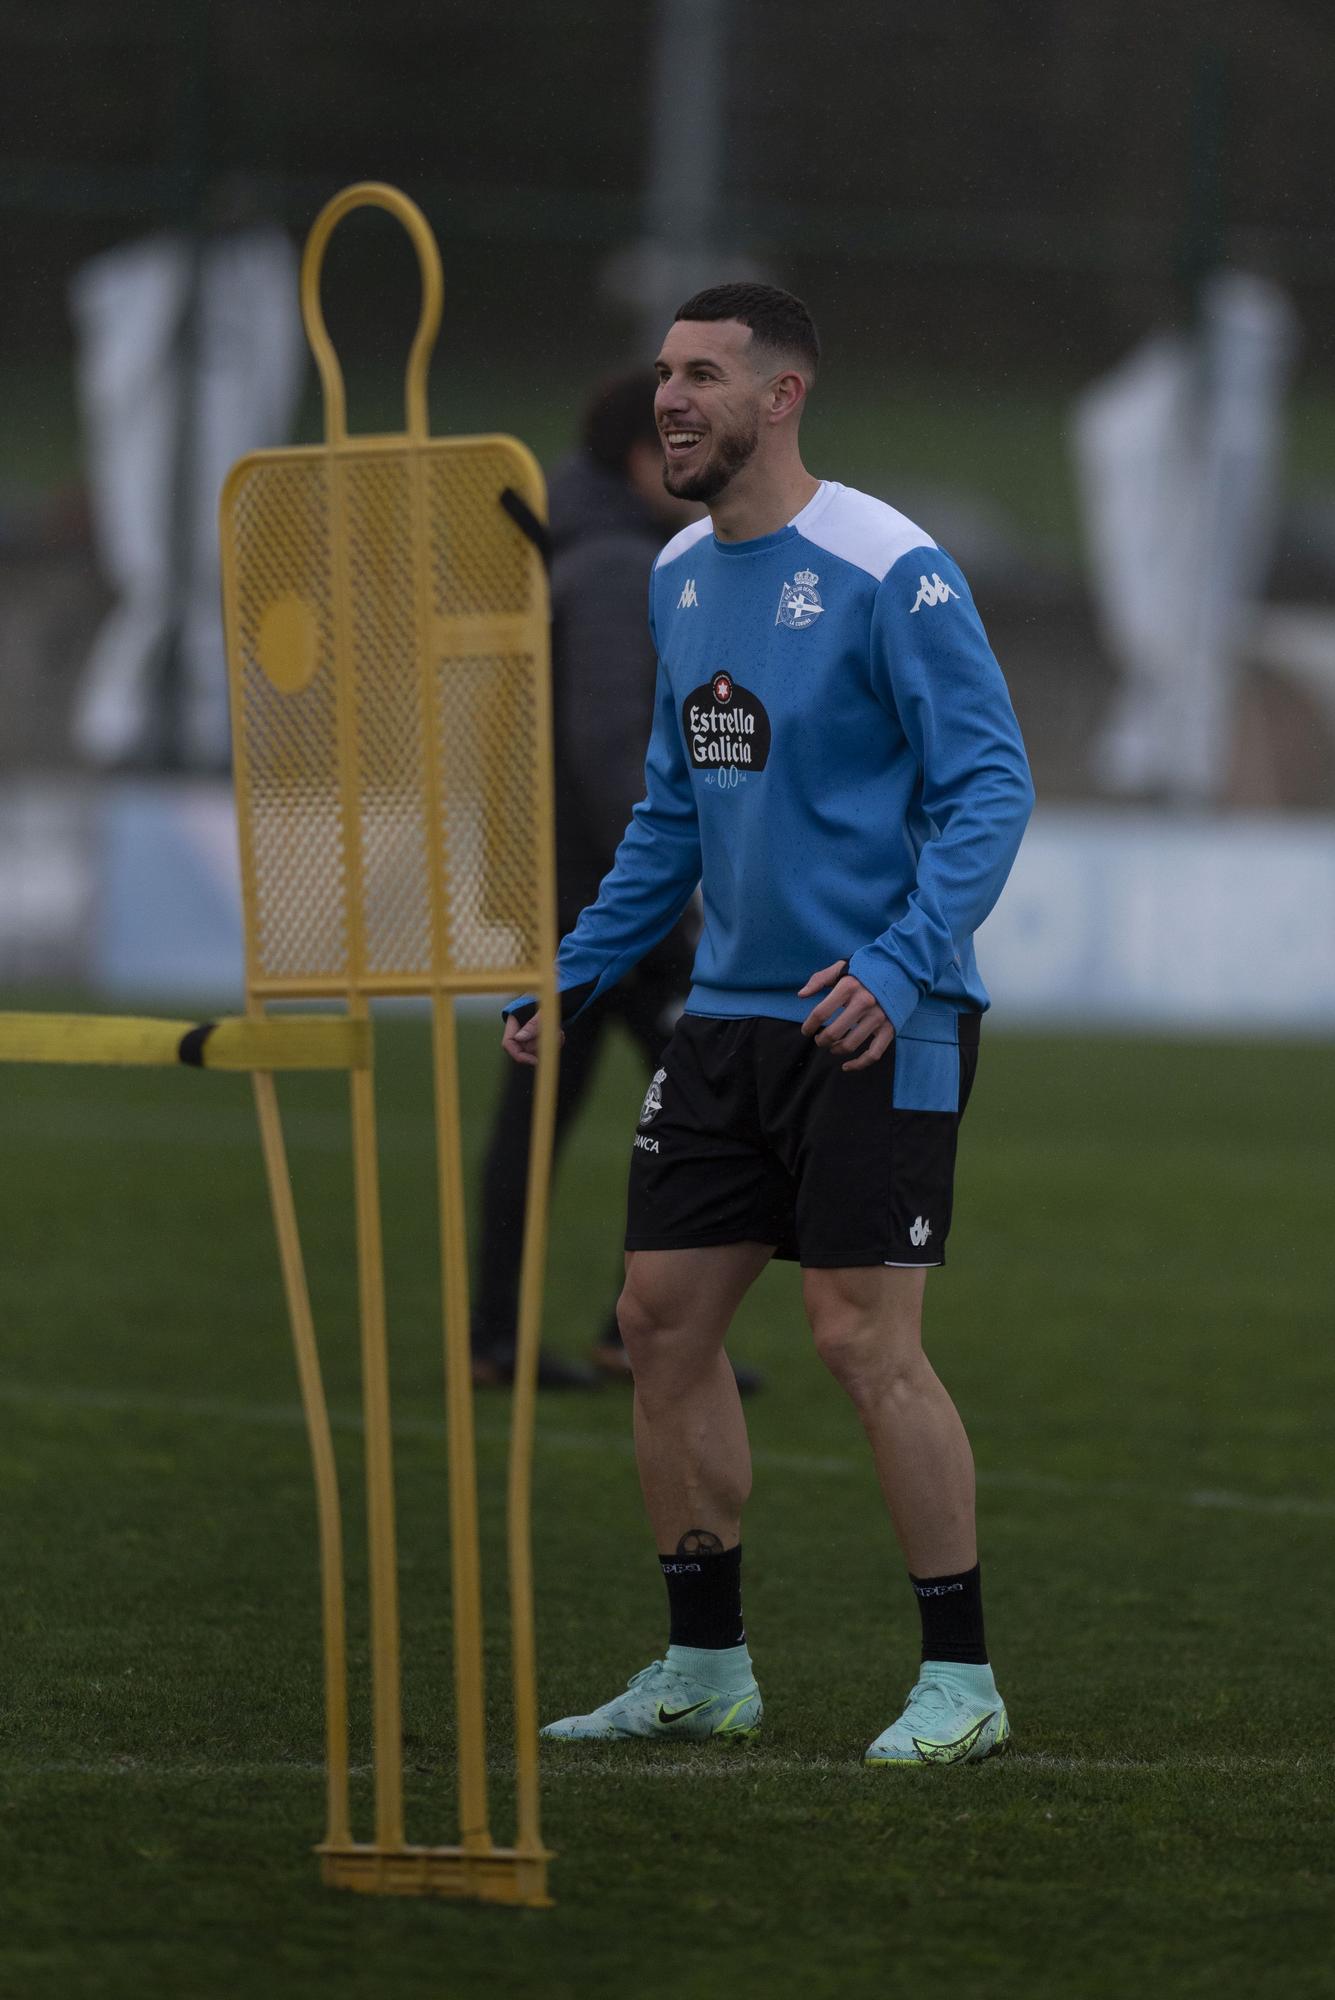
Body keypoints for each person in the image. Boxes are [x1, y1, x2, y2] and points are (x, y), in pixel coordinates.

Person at [503, 284, 1034, 1764]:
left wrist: (900, 959)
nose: (669, 400)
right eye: (663, 376)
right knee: (655, 1326)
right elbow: (672, 814)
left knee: (859, 1343)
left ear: (781, 395)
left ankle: (959, 1680)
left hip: (880, 1013)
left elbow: (990, 787)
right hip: (725, 1021)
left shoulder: (891, 567)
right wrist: (578, 969)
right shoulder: (675, 571)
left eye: (703, 377)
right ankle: (702, 1666)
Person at [471, 372, 714, 1390]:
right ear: (637, 460)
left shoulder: (568, 549)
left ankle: (503, 1337)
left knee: (541, 1120)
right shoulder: (617, 567)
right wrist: (665, 890)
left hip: (555, 883)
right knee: (705, 1107)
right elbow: (618, 746)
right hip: (608, 904)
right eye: (682, 446)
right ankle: (633, 1331)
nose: (699, 472)